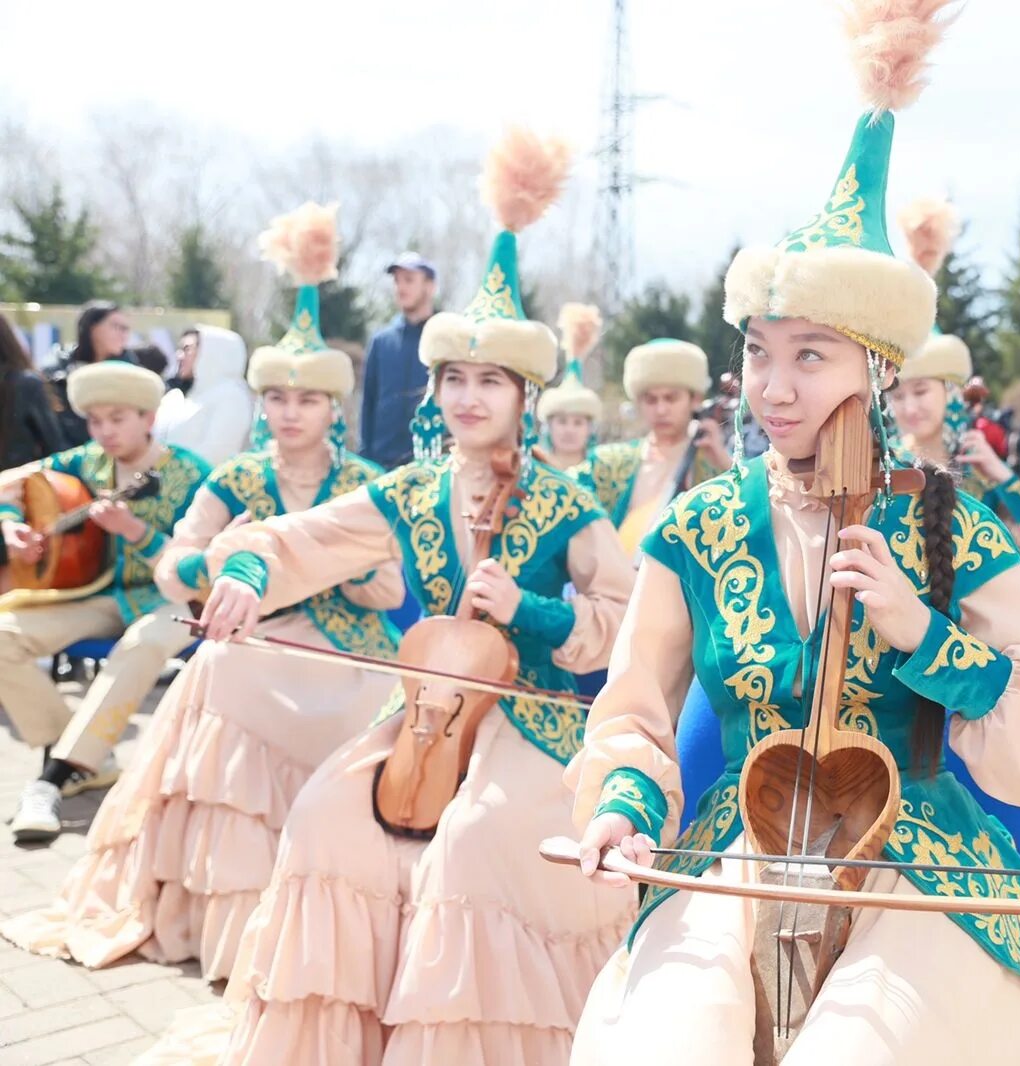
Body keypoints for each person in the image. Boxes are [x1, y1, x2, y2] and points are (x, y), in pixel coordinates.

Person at [564, 8, 1020, 1062]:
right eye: (760, 352)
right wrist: (623, 798)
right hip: (736, 851)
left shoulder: (955, 522)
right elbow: (630, 711)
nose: (773, 386)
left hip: (925, 860)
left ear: (878, 371)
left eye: (812, 356)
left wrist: (922, 636)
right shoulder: (698, 525)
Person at [163, 130, 637, 1064]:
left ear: (522, 397)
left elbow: (623, 624)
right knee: (325, 822)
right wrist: (249, 573)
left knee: (474, 841)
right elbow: (298, 540)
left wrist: (534, 615)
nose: (467, 397)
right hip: (419, 711)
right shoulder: (408, 492)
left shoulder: (566, 502)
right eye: (452, 378)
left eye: (488, 381)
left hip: (533, 716)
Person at [0, 202, 404, 981]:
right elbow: (172, 568)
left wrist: (353, 573)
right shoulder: (235, 477)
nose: (290, 414)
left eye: (308, 400)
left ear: (333, 408)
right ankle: (231, 918)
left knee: (357, 699)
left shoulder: (367, 486)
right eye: (277, 399)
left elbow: (388, 596)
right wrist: (214, 559)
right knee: (219, 670)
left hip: (350, 651)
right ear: (261, 404)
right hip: (255, 643)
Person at [0, 362, 210, 842]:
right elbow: (11, 481)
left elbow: (205, 563)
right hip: (101, 593)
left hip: (174, 599)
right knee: (3, 636)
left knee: (140, 645)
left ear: (149, 418)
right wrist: (12, 524)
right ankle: (84, 756)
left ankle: (52, 779)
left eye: (118, 418)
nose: (105, 432)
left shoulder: (193, 473)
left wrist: (135, 531)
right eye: (95, 421)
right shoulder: (86, 461)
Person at [888, 195, 1020, 560]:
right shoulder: (886, 465)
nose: (909, 406)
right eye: (897, 395)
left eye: (921, 391)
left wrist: (999, 473)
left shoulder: (979, 468)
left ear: (949, 391)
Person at [589, 338, 730, 559]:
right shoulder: (608, 461)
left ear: (695, 399)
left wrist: (723, 462)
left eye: (671, 398)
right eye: (651, 400)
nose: (661, 409)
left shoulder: (714, 462)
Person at [359, 250, 437, 470]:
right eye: (397, 281)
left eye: (409, 280)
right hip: (383, 467)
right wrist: (366, 459)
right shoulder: (381, 341)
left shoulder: (444, 339)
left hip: (431, 465)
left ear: (430, 286)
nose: (401, 288)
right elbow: (369, 404)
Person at [154, 324, 253, 466]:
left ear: (212, 353)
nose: (178, 356)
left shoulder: (232, 397)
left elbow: (215, 456)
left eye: (187, 349)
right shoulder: (178, 397)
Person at [47, 301, 134, 446]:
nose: (123, 335)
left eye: (126, 329)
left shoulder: (130, 370)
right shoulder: (59, 367)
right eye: (116, 327)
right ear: (93, 328)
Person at [537, 302, 605, 478]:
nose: (569, 430)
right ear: (548, 426)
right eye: (562, 421)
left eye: (578, 423)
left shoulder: (603, 474)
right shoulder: (534, 469)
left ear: (590, 428)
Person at [0, 311, 65, 475]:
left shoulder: (24, 383)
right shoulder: (26, 381)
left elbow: (53, 446)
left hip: (16, 487)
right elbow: (54, 445)